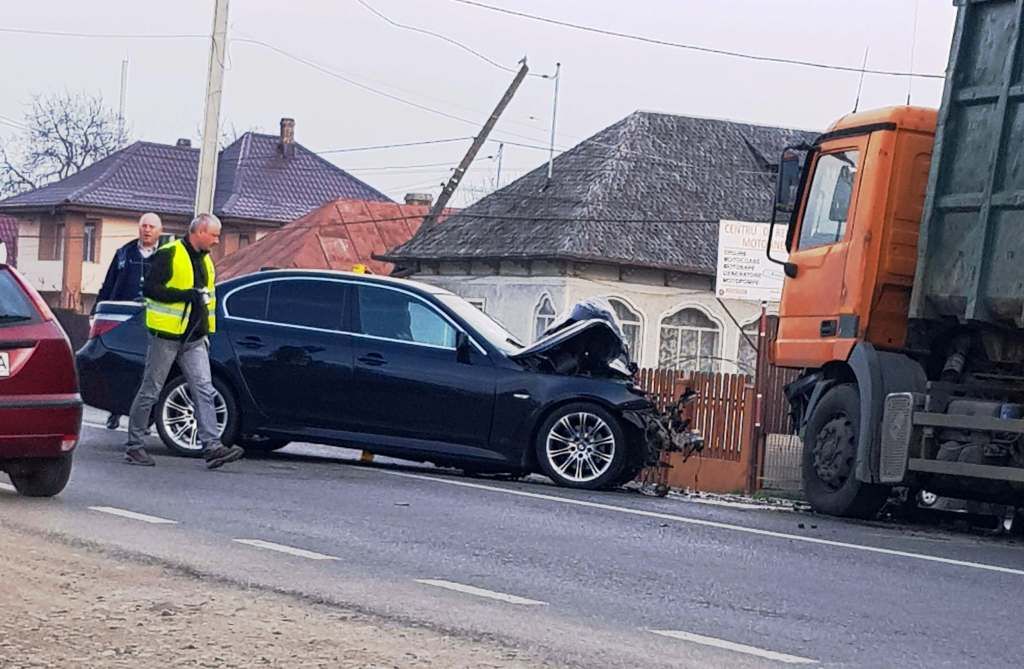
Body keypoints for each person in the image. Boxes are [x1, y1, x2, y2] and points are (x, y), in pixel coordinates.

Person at [123, 213, 244, 469]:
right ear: (199, 232)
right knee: (151, 390)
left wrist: (206, 333)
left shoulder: (207, 262)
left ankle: (213, 447)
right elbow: (151, 290)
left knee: (204, 389)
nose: (216, 240)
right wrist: (185, 295)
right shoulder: (170, 253)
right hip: (166, 336)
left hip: (194, 338)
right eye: (214, 235)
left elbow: (206, 300)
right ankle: (134, 446)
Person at [95, 212, 163, 430]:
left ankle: (146, 417)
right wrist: (97, 310)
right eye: (144, 226)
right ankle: (114, 410)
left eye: (152, 226)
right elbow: (109, 284)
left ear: (159, 231)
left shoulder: (165, 255)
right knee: (121, 365)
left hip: (154, 321)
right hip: (123, 320)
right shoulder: (124, 253)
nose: (147, 230)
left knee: (147, 369)